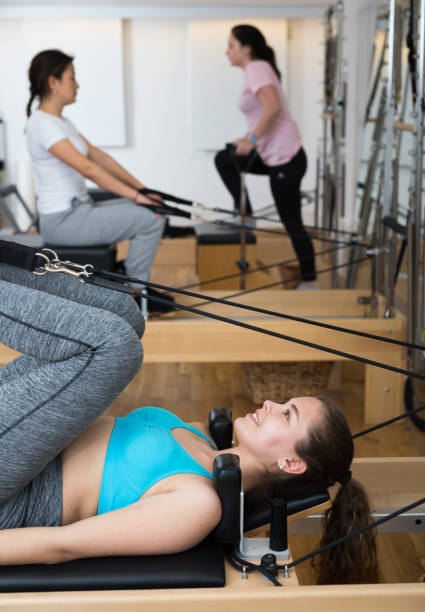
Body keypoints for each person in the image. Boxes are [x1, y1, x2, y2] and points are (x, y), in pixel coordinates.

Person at [0, 261, 376, 584]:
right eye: (284, 402)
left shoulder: (199, 504)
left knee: (116, 347)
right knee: (129, 317)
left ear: (291, 463)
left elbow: (61, 545)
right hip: (24, 445)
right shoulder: (202, 437)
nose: (270, 404)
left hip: (17, 491)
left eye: (287, 414)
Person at [25, 49, 166, 306]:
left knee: (151, 208)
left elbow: (98, 157)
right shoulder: (42, 124)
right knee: (150, 218)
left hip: (80, 210)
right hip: (64, 220)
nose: (77, 84)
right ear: (53, 83)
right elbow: (88, 169)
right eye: (72, 78)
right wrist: (136, 196)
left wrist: (142, 190)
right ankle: (136, 294)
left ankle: (130, 280)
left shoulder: (60, 122)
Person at [215, 25, 318, 290]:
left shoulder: (256, 68)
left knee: (291, 221)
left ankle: (310, 280)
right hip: (275, 155)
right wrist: (246, 137)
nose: (227, 51)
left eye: (231, 45)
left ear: (246, 48)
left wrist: (251, 141)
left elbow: (272, 108)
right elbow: (263, 113)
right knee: (225, 159)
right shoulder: (257, 68)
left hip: (286, 158)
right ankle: (245, 215)